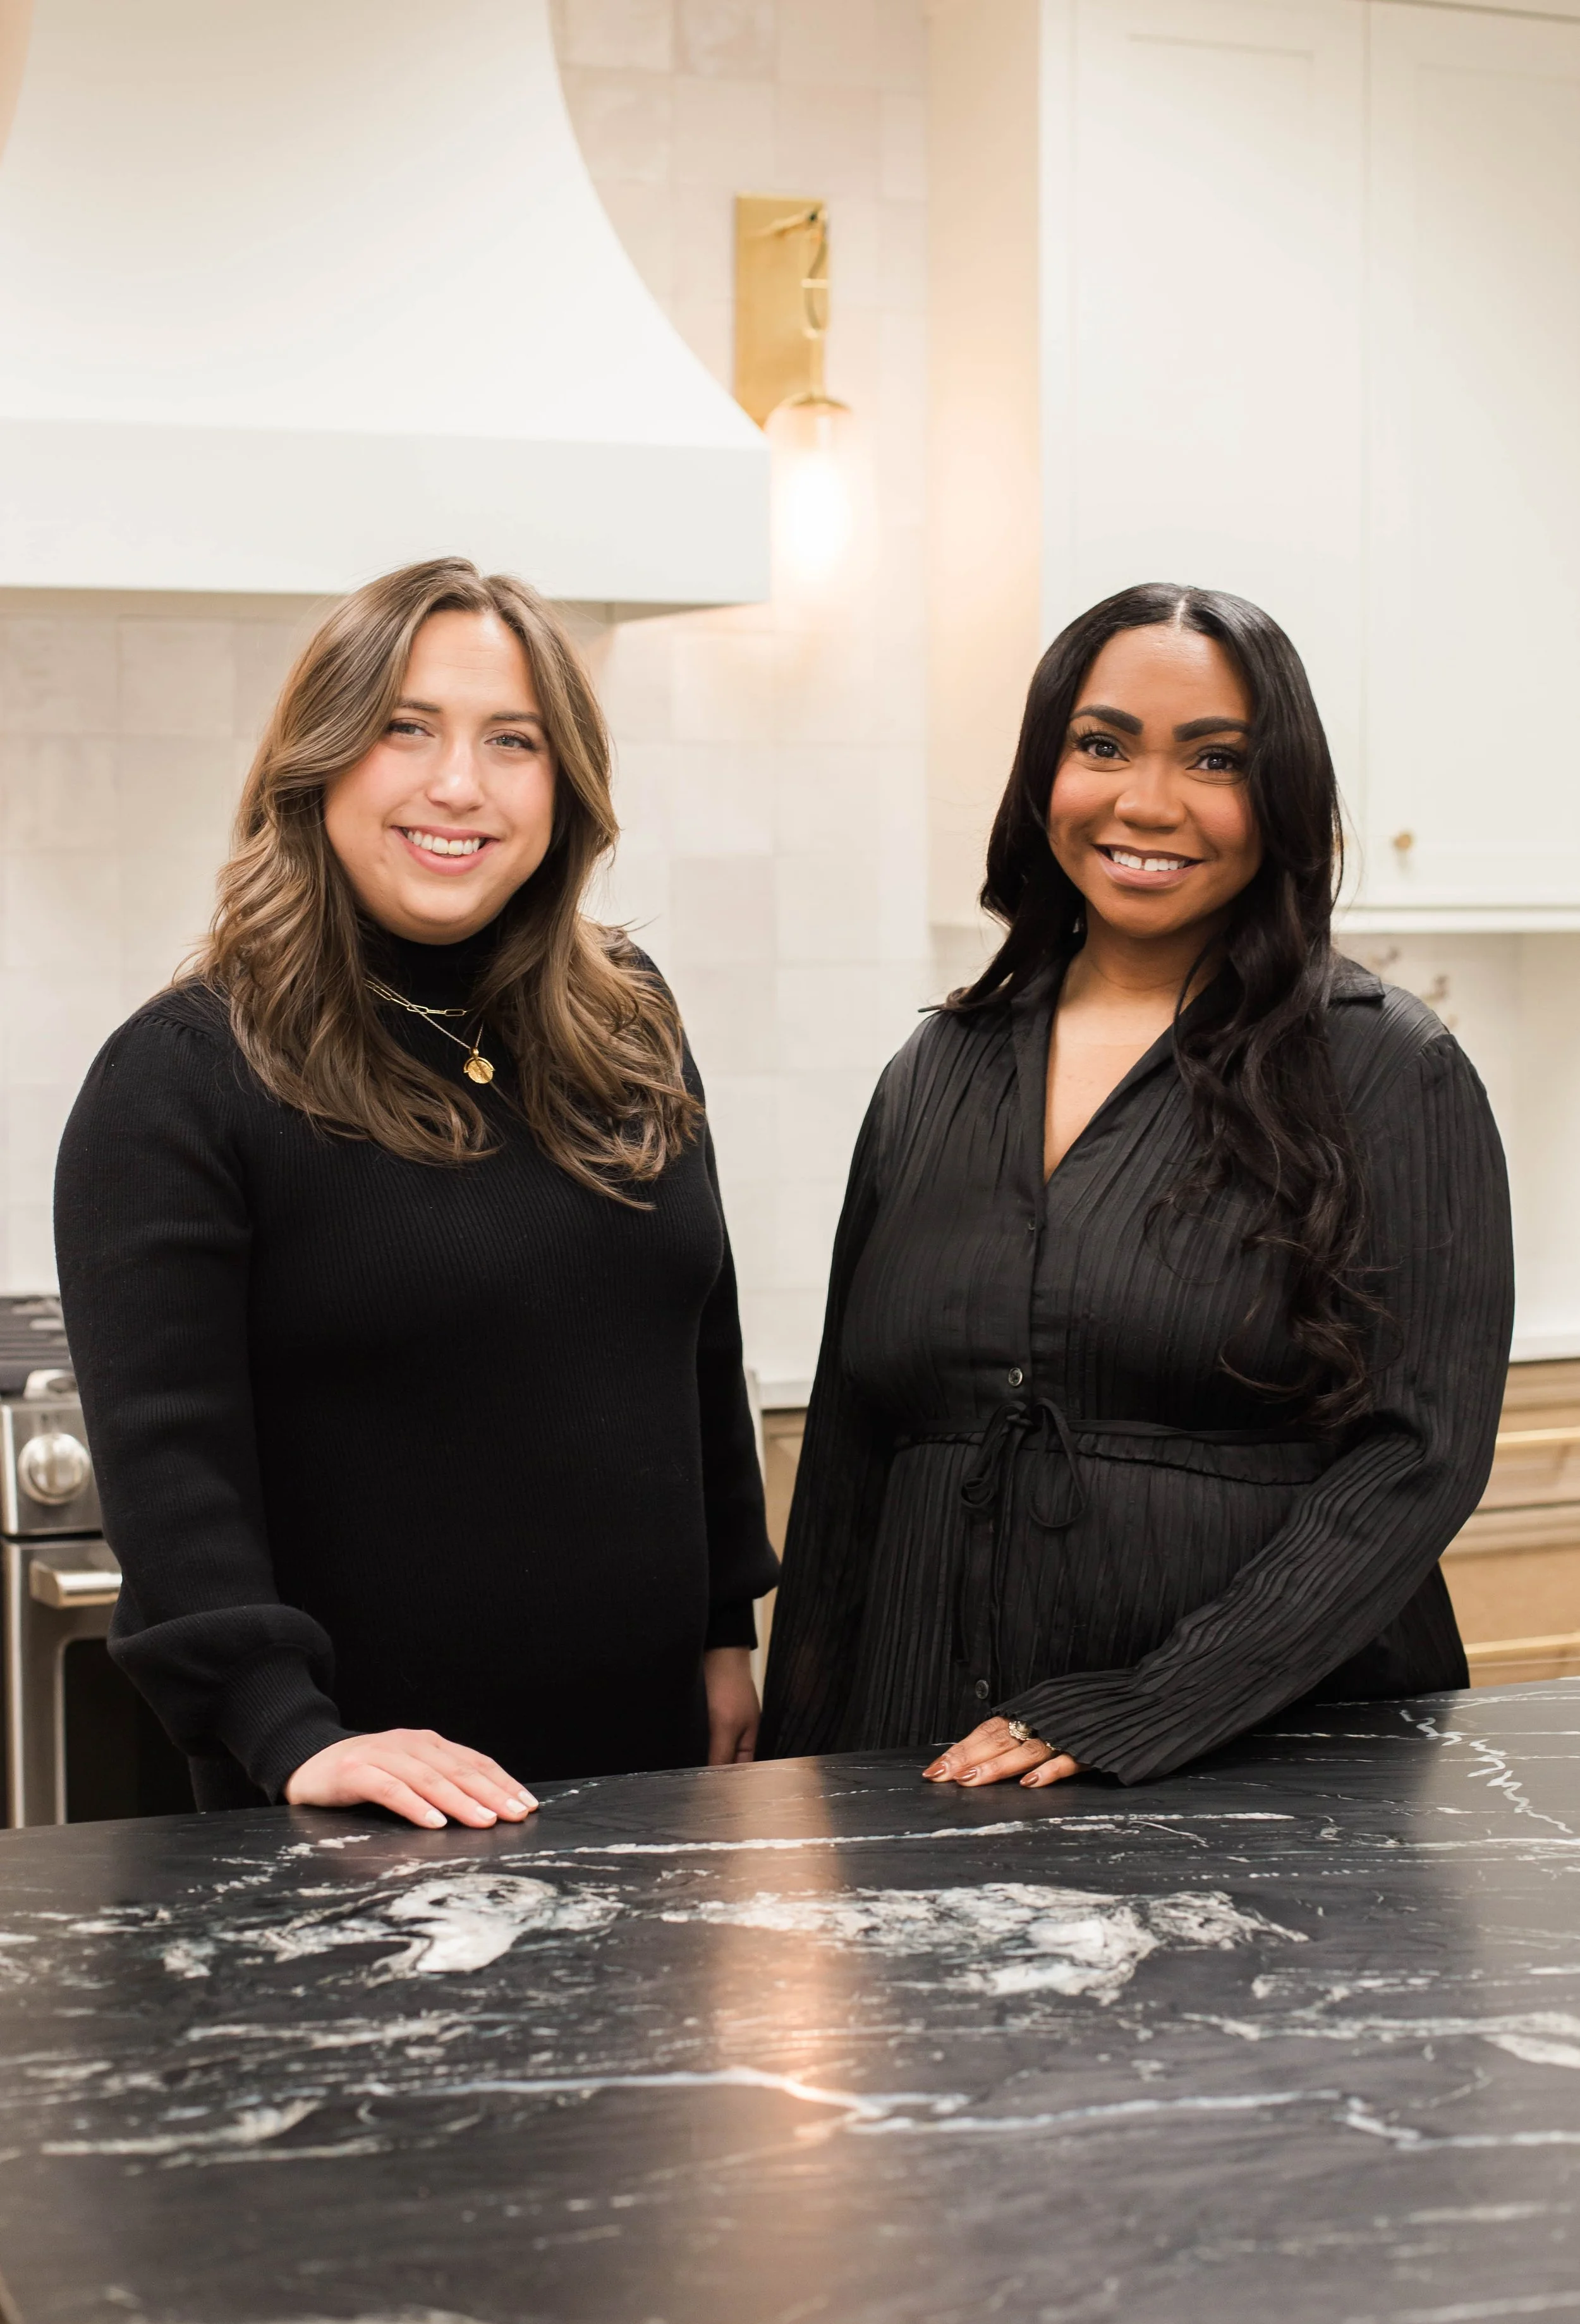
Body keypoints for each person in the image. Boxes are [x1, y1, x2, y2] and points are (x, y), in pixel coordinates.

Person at [56, 557, 777, 1829]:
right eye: (406, 728)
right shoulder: (183, 1077)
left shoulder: (629, 1018)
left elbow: (693, 1337)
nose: (459, 784)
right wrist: (290, 1737)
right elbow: (174, 1474)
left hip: (649, 1777)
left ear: (564, 787)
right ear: (320, 760)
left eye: (513, 739)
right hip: (360, 1809)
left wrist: (726, 1628)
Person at [758, 582, 1512, 1789]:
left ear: (1281, 799)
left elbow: (1418, 1456)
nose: (1146, 802)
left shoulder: (1387, 1065)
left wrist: (1147, 1708)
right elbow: (853, 1458)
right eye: (1101, 745)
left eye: (1215, 759)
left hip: (1265, 1767)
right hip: (917, 1763)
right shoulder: (935, 1070)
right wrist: (787, 1776)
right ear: (1041, 773)